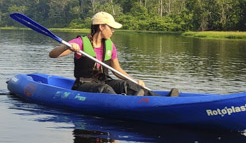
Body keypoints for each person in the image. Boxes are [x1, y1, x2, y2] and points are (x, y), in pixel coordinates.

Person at [49, 11, 178, 96]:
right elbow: (53, 54)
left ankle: (162, 99)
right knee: (105, 90)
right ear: (101, 27)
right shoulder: (80, 42)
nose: (113, 31)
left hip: (104, 81)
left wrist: (134, 81)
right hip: (84, 85)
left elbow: (116, 70)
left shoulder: (110, 45)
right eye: (111, 27)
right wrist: (67, 47)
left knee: (128, 85)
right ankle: (129, 106)